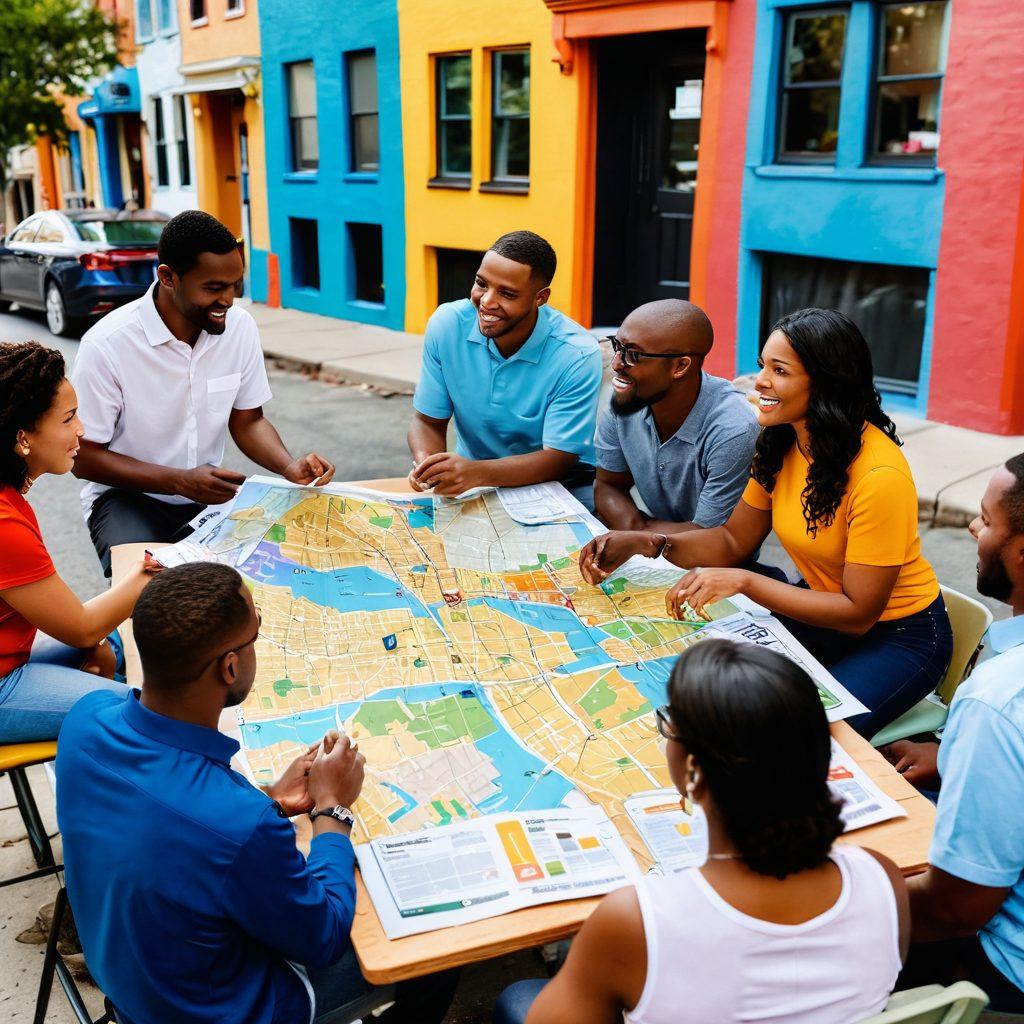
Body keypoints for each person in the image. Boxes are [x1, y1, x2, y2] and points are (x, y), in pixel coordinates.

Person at [56, 562, 458, 1024]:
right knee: (438, 956)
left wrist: (267, 798)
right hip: (224, 1009)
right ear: (230, 666)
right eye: (256, 631)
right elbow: (323, 936)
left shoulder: (86, 719)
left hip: (134, 981)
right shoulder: (239, 826)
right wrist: (333, 809)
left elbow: (169, 820)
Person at [578, 308, 952, 738]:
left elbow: (857, 614)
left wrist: (745, 582)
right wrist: (649, 542)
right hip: (821, 611)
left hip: (899, 637)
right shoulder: (781, 439)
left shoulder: (879, 476)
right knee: (702, 681)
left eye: (780, 370)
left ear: (826, 382)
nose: (759, 382)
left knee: (796, 739)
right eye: (762, 366)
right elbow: (732, 538)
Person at [494, 639, 909, 1024]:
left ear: (693, 770)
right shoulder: (883, 877)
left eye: (669, 721)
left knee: (516, 1000)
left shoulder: (633, 922)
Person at [71, 209, 335, 575]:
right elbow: (83, 457)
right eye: (213, 288)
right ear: (168, 277)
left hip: (205, 498)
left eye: (235, 286)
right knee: (146, 593)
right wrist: (178, 480)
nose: (228, 300)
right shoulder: (107, 344)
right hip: (126, 498)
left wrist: (289, 465)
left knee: (268, 579)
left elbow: (248, 421)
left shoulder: (239, 328)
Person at [880, 456, 1024, 1012]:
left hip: (1000, 971)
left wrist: (822, 907)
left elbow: (954, 908)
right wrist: (954, 753)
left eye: (986, 521)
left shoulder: (999, 699)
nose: (973, 529)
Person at [0, 342, 157, 743]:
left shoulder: (9, 497)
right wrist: (146, 577)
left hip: (14, 656)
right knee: (151, 716)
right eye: (68, 419)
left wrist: (96, 641)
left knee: (119, 647)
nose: (82, 430)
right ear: (23, 437)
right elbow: (82, 629)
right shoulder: (4, 523)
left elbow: (78, 627)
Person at [407, 230, 602, 504]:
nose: (486, 301)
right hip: (474, 480)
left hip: (560, 485)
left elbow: (558, 458)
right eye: (481, 284)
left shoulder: (577, 354)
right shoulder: (447, 324)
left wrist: (474, 473)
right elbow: (427, 421)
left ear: (540, 298)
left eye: (507, 293)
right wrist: (429, 465)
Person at [595, 298, 758, 532]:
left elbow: (711, 537)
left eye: (633, 354)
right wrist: (637, 529)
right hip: (649, 546)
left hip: (719, 563)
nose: (617, 363)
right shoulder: (627, 399)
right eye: (617, 347)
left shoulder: (733, 428)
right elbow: (607, 485)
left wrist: (637, 534)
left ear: (680, 367)